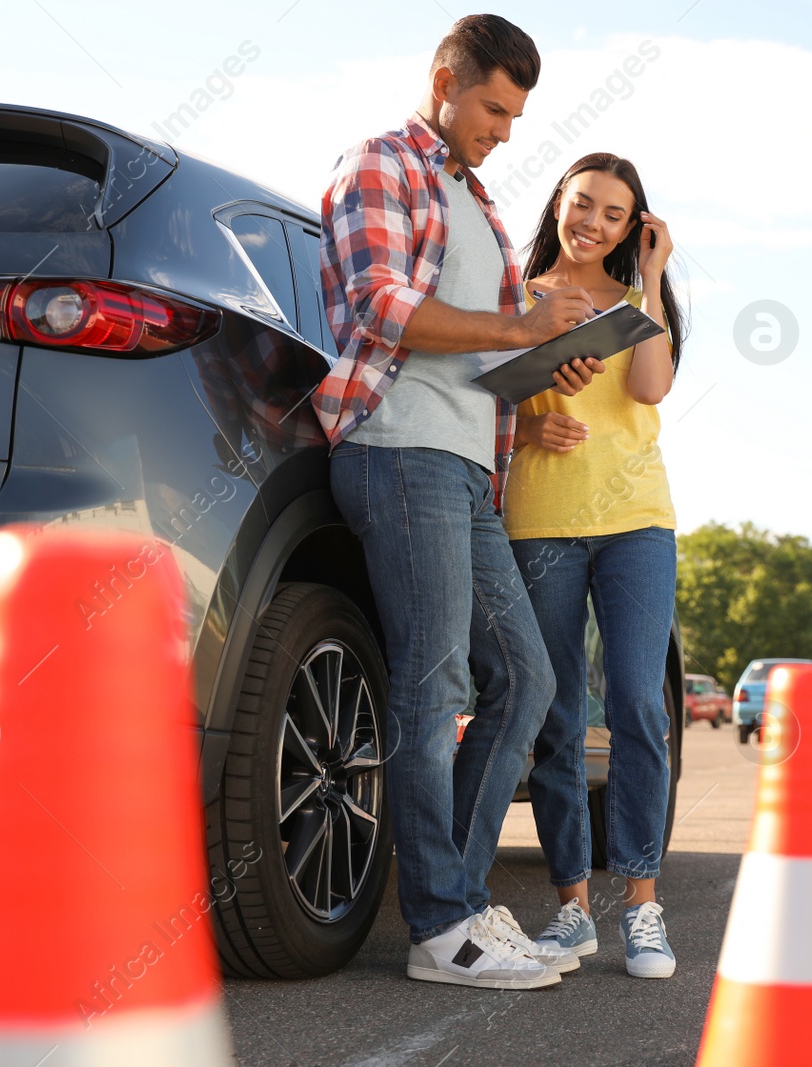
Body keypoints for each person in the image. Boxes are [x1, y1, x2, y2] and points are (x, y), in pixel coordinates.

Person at [312, 14, 606, 990]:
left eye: (516, 115)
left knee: (527, 680)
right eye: (492, 107)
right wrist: (514, 321)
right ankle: (440, 923)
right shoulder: (378, 164)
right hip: (399, 452)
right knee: (433, 686)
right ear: (444, 77)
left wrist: (536, 367)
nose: (504, 131)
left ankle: (459, 901)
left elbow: (477, 353)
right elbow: (380, 307)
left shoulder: (474, 202)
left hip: (466, 465)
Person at [503, 153, 686, 978]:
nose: (595, 223)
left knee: (639, 703)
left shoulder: (639, 304)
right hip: (542, 520)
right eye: (584, 204)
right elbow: (483, 393)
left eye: (616, 214)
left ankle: (642, 903)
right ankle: (574, 906)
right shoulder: (516, 292)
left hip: (637, 524)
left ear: (632, 225)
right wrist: (530, 427)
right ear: (560, 203)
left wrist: (649, 277)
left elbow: (648, 391)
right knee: (558, 716)